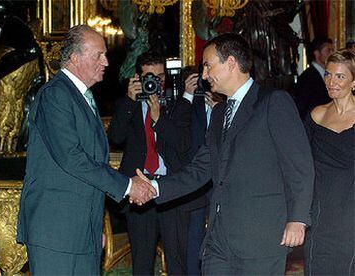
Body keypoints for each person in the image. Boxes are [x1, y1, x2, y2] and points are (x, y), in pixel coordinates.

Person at [136, 33, 315, 275]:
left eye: (208, 65)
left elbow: (300, 166)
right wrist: (155, 188)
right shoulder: (220, 113)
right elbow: (199, 169)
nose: (205, 75)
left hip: (260, 240)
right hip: (218, 242)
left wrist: (298, 219)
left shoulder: (273, 102)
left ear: (230, 63)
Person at [16, 25, 156, 275]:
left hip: (81, 231)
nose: (106, 61)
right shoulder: (55, 95)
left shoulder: (80, 97)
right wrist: (128, 186)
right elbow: (73, 159)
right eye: (98, 55)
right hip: (57, 232)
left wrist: (94, 229)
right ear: (74, 58)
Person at [108, 51, 192, 275]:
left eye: (160, 77)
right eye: (150, 77)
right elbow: (115, 137)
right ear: (138, 77)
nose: (156, 82)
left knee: (177, 261)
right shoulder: (128, 104)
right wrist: (129, 101)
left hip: (171, 190)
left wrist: (159, 118)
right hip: (139, 191)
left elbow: (184, 144)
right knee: (142, 262)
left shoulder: (177, 103)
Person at [304, 49, 355, 276]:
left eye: (340, 76)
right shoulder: (316, 115)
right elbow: (301, 164)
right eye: (328, 74)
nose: (331, 82)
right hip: (321, 215)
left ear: (354, 82)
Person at [182, 69, 220, 275]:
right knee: (194, 235)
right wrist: (187, 94)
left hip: (222, 180)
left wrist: (219, 110)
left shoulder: (227, 103)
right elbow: (178, 132)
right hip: (196, 180)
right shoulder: (189, 102)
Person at [294, 37, 334, 119]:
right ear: (317, 53)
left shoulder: (328, 75)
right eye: (328, 50)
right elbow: (304, 109)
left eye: (332, 50)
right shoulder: (307, 78)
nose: (332, 54)